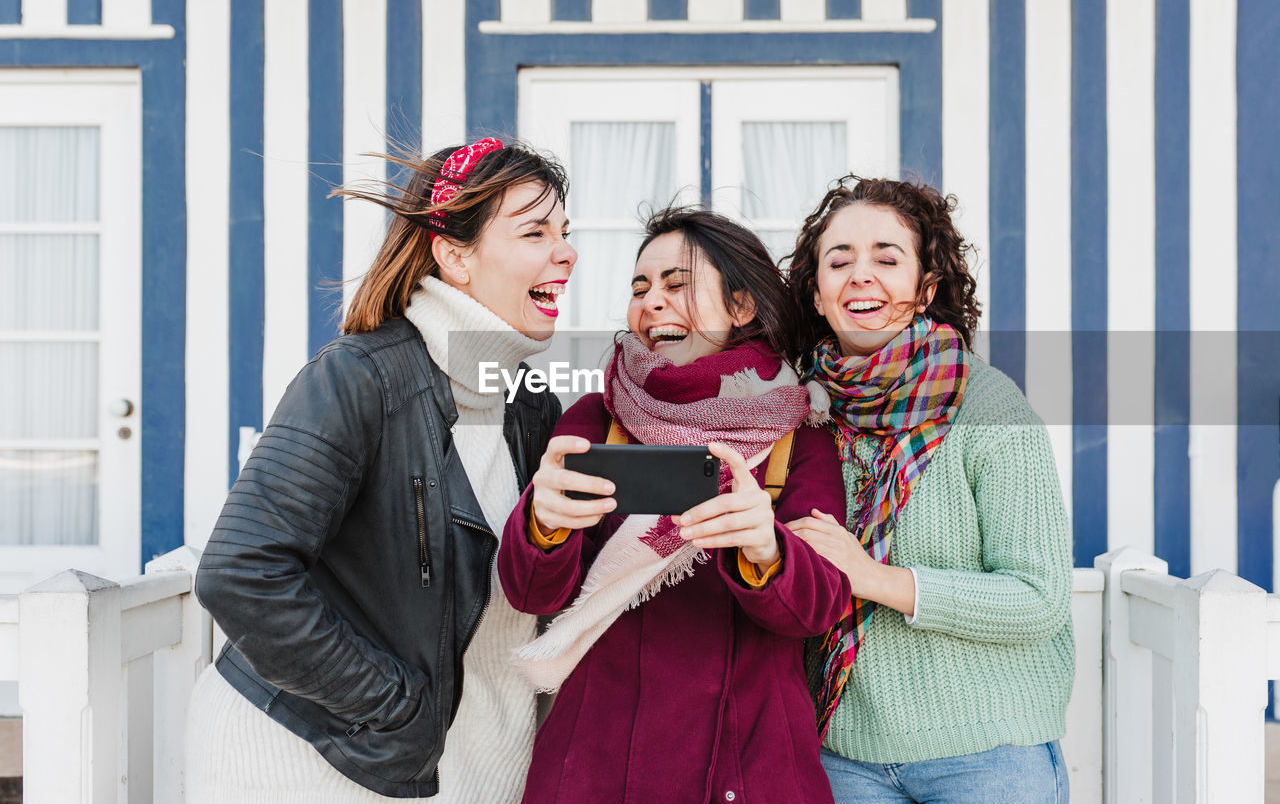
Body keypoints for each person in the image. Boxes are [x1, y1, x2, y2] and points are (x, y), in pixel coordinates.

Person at [187, 139, 576, 802]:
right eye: (535, 231)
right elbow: (242, 572)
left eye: (566, 232)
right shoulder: (359, 378)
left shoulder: (531, 405)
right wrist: (397, 706)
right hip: (307, 761)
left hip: (459, 770)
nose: (565, 252)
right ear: (454, 254)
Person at [497, 207, 852, 803]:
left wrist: (767, 546)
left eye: (676, 284)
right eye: (640, 287)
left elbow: (818, 609)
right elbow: (531, 594)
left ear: (741, 306)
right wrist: (543, 523)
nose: (651, 301)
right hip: (600, 763)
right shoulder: (598, 419)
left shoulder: (798, 433)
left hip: (749, 763)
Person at [782, 175, 1073, 803]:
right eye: (839, 261)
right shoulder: (797, 414)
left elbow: (1039, 597)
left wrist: (874, 577)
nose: (861, 275)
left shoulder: (989, 406)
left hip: (989, 757)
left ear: (925, 289)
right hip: (842, 753)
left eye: (887, 259)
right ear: (817, 293)